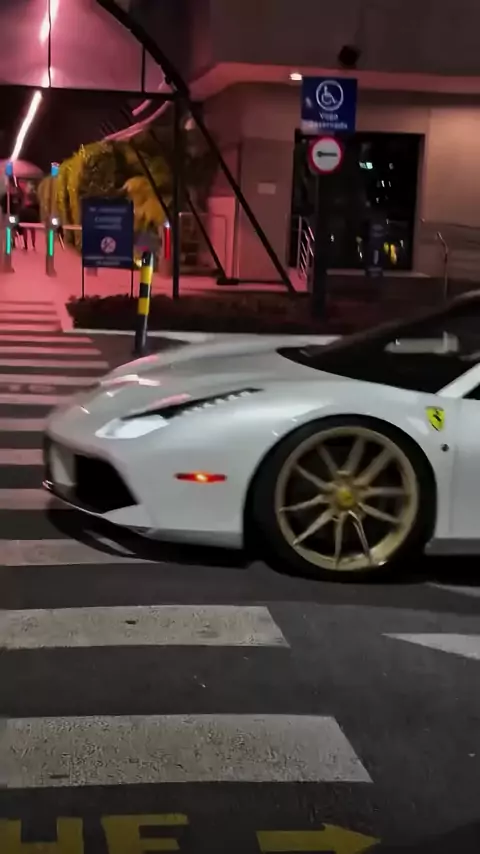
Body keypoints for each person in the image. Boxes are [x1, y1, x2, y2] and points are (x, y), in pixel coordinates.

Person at [19, 182, 40, 250]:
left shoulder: (31, 194)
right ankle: (27, 245)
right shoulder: (23, 194)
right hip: (27, 212)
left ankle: (31, 245)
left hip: (29, 212)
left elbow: (36, 203)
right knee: (26, 229)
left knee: (31, 229)